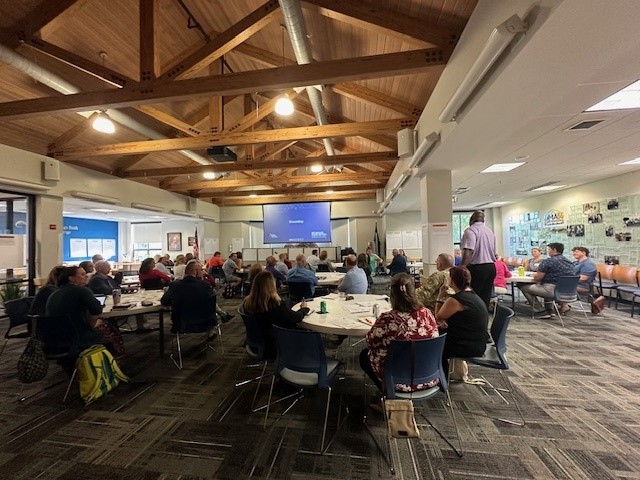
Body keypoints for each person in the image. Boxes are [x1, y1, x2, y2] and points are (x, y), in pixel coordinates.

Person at [360, 273, 439, 395]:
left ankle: (388, 394)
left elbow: (370, 342)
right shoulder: (427, 314)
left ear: (392, 296)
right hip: (427, 376)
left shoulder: (388, 319)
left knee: (364, 356)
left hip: (397, 380)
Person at [46, 266, 122, 356]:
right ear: (71, 278)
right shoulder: (82, 291)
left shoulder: (54, 294)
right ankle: (112, 358)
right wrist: (92, 323)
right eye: (82, 274)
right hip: (79, 336)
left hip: (55, 338)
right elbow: (97, 310)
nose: (86, 276)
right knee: (108, 324)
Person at [242, 270, 310, 359]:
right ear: (271, 286)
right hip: (274, 345)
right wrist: (304, 309)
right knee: (307, 332)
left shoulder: (248, 302)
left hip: (256, 343)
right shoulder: (274, 304)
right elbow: (296, 318)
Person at [434, 266, 489, 374]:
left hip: (466, 346)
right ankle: (442, 376)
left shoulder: (455, 300)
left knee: (434, 343)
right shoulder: (473, 296)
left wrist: (440, 296)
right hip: (478, 343)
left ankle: (441, 377)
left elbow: (438, 316)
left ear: (452, 281)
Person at [161, 260, 221, 340]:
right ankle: (211, 332)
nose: (203, 272)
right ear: (195, 271)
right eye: (201, 270)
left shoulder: (174, 285)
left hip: (182, 323)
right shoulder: (205, 286)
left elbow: (164, 302)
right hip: (205, 322)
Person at [518, 242, 575, 318]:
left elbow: (538, 278)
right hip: (569, 291)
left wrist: (535, 275)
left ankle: (540, 311)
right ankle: (550, 310)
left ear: (554, 250)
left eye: (549, 249)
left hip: (552, 290)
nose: (548, 251)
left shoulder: (548, 261)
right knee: (544, 285)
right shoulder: (569, 262)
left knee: (523, 286)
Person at [460, 210, 497, 308]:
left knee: (472, 297)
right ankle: (483, 316)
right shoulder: (490, 232)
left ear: (472, 219)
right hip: (491, 267)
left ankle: (473, 315)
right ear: (483, 220)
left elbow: (469, 250)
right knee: (485, 296)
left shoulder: (470, 231)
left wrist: (462, 267)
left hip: (477, 268)